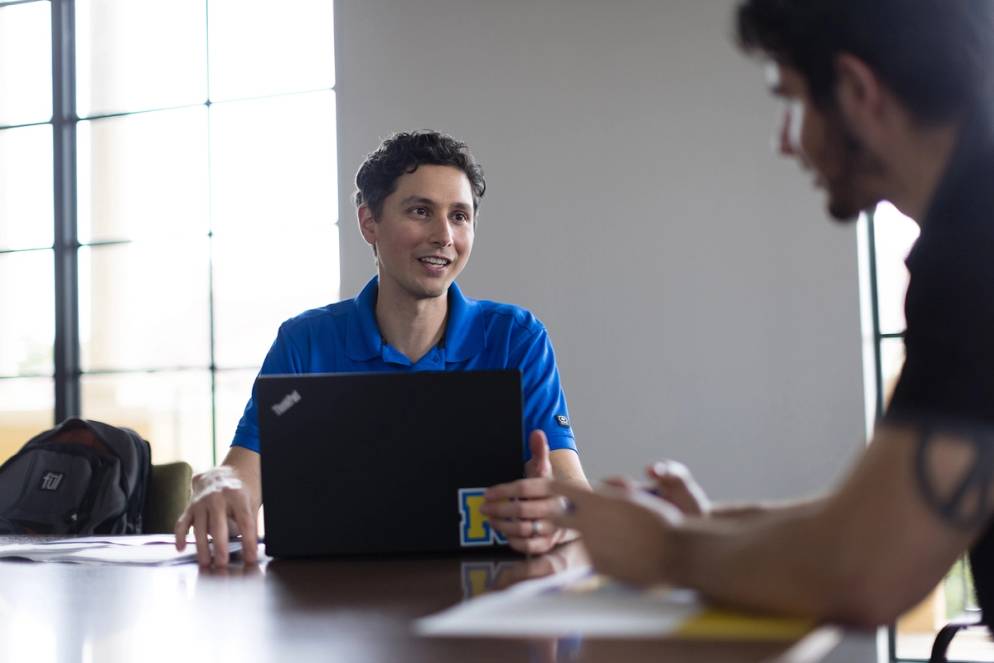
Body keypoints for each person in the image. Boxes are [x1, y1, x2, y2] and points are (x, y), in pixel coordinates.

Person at [545, 0, 994, 627]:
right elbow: (876, 515)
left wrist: (669, 550)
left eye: (793, 101)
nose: (786, 141)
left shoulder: (973, 252)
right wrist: (702, 528)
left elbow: (865, 567)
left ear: (858, 90)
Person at [176, 131, 588, 567]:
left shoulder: (517, 337)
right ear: (369, 222)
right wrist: (220, 482)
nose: (444, 235)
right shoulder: (304, 341)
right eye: (421, 211)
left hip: (483, 597)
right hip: (332, 602)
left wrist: (558, 512)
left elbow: (572, 490)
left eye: (460, 216)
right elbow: (244, 470)